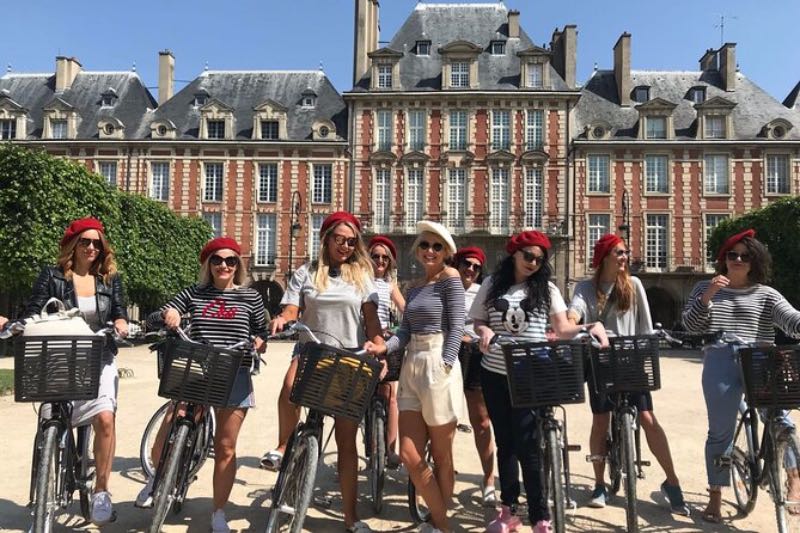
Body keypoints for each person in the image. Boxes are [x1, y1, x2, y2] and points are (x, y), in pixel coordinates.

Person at [470, 230, 609, 533]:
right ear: (514, 255)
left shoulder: (547, 289)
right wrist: (483, 331)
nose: (533, 262)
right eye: (528, 256)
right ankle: (508, 510)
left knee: (529, 445)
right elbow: (477, 320)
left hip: (531, 375)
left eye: (539, 258)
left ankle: (540, 515)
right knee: (506, 443)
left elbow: (561, 329)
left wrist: (590, 327)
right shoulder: (492, 285)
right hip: (494, 373)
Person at [136, 237, 268, 533]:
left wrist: (260, 342)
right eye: (217, 260)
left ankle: (218, 512)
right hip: (197, 366)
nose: (224, 265)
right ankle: (157, 477)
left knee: (225, 447)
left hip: (235, 372)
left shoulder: (251, 298)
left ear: (238, 265)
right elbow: (156, 316)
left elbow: (261, 332)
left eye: (230, 260)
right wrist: (169, 314)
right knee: (171, 424)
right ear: (208, 264)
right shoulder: (194, 293)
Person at [264, 211, 384, 533]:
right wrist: (283, 319)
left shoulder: (362, 275)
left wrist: (377, 343)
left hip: (347, 357)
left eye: (351, 241)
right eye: (339, 239)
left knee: (347, 441)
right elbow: (292, 308)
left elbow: (371, 319)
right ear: (326, 238)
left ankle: (350, 517)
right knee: (289, 389)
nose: (345, 246)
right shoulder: (307, 272)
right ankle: (282, 445)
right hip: (312, 350)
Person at [682, 229, 800, 523]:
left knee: (781, 419)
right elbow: (691, 327)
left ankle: (794, 479)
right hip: (720, 358)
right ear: (723, 258)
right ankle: (716, 496)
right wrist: (708, 296)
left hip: (760, 358)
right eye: (731, 255)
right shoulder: (703, 287)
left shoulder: (766, 294)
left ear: (754, 261)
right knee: (720, 432)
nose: (737, 260)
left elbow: (791, 320)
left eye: (744, 256)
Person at [567, 233, 689, 514]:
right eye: (618, 252)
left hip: (630, 359)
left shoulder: (633, 285)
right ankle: (599, 484)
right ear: (604, 257)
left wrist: (647, 353)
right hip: (600, 361)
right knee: (600, 420)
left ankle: (672, 482)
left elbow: (644, 327)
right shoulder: (586, 288)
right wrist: (574, 323)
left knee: (647, 418)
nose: (624, 257)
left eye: (624, 252)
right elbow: (576, 312)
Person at [24, 216, 129, 526]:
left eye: (97, 242)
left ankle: (101, 492)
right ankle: (45, 493)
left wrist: (122, 323)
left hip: (99, 357)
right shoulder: (52, 276)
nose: (92, 247)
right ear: (73, 244)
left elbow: (120, 312)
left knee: (105, 419)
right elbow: (34, 309)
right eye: (86, 241)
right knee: (51, 423)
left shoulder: (110, 280)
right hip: (60, 357)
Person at [365, 220, 465, 533]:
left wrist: (446, 364)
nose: (430, 251)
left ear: (446, 252)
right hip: (412, 364)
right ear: (417, 250)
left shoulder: (451, 278)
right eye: (424, 245)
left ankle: (437, 523)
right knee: (408, 452)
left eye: (437, 246)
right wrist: (383, 348)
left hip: (438, 360)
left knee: (441, 454)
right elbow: (404, 332)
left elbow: (458, 326)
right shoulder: (414, 287)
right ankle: (444, 523)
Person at [454, 246, 497, 507]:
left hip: (474, 355)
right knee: (440, 419)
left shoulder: (484, 293)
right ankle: (441, 470)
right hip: (446, 355)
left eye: (476, 266)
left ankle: (489, 480)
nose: (470, 269)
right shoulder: (444, 287)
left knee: (481, 420)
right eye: (466, 264)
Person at [368, 235, 406, 468]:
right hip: (362, 340)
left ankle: (390, 450)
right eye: (375, 256)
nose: (380, 261)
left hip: (383, 341)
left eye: (385, 258)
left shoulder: (390, 285)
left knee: (391, 396)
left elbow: (405, 309)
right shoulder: (359, 280)